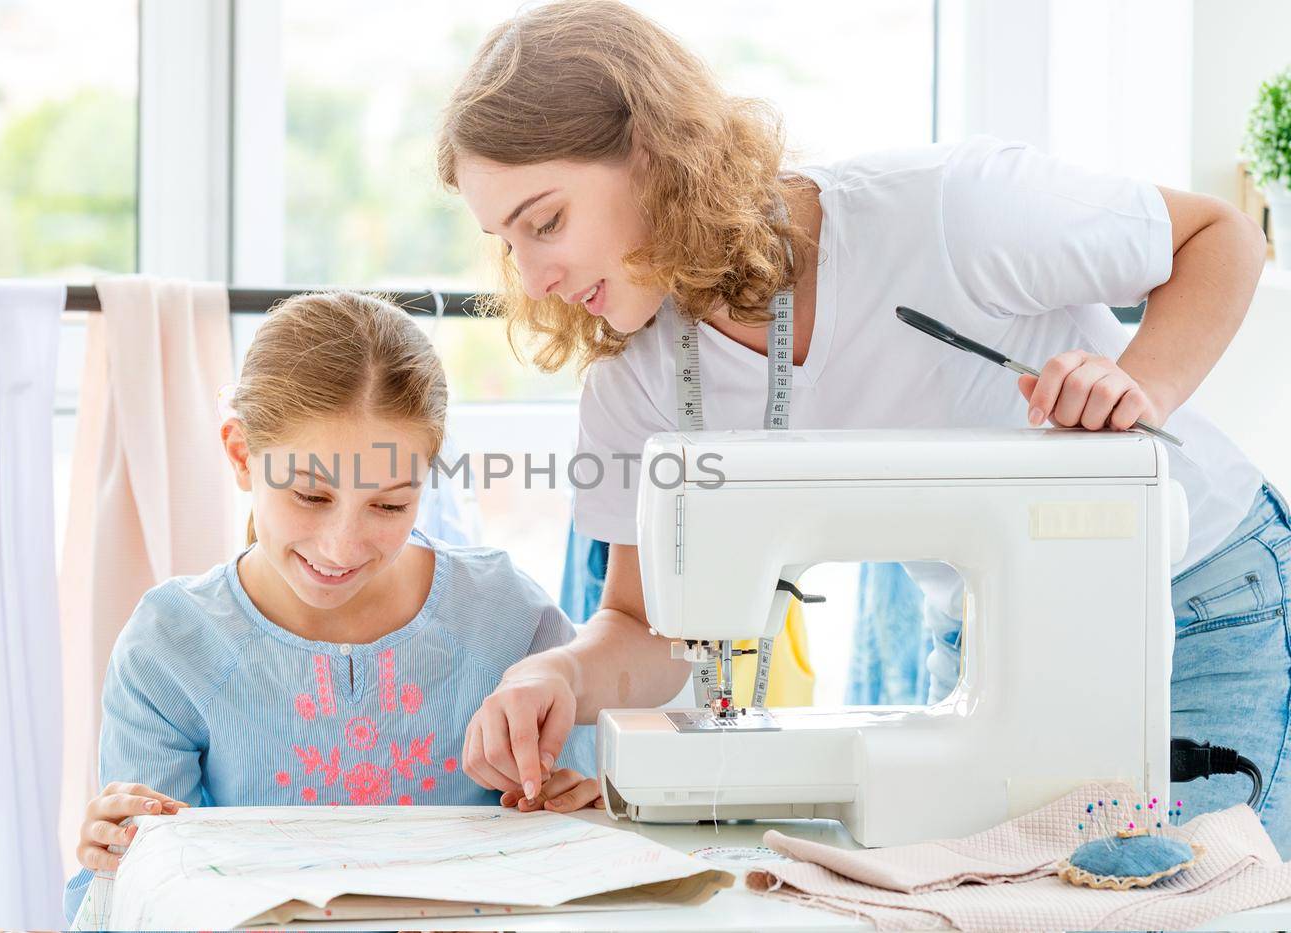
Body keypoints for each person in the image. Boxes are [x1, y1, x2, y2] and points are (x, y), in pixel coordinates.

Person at [435, 0, 1285, 851]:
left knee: (1192, 897)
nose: (534, 277)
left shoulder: (949, 214)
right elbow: (644, 623)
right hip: (989, 649)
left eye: (545, 222)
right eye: (508, 243)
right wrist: (559, 673)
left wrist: (1137, 387)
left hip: (1200, 595)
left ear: (651, 154)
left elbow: (1224, 236)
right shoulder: (635, 385)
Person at [62, 291, 599, 922]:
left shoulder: (507, 621)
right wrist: (118, 859)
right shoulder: (173, 645)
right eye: (311, 498)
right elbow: (159, 899)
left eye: (390, 505)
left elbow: (589, 841)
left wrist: (580, 816)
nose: (342, 547)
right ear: (240, 453)